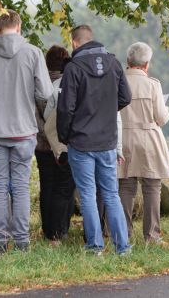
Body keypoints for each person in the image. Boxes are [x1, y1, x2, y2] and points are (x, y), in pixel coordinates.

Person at [0, 10, 52, 253]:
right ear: (19, 26)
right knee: (21, 186)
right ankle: (22, 240)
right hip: (24, 129)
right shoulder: (33, 52)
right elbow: (45, 93)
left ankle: (0, 241)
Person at [57, 24, 132, 255]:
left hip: (81, 142)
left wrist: (65, 136)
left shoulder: (73, 68)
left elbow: (65, 109)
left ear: (74, 43)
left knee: (88, 194)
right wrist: (107, 111)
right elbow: (126, 97)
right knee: (111, 194)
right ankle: (123, 247)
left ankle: (94, 246)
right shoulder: (114, 63)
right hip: (107, 141)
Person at [117, 42, 169, 243]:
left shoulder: (117, 81)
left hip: (122, 137)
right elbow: (161, 117)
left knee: (125, 187)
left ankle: (123, 233)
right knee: (152, 187)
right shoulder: (152, 84)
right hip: (148, 138)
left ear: (127, 61)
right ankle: (151, 235)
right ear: (146, 64)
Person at [35, 45, 75, 243]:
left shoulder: (38, 85)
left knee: (47, 186)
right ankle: (61, 228)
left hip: (41, 144)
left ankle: (47, 228)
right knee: (64, 187)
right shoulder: (67, 84)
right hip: (62, 143)